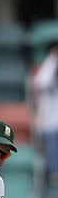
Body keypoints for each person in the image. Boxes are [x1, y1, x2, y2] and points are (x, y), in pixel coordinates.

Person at [33, 40, 58, 185]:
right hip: (50, 118)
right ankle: (54, 173)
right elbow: (41, 83)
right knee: (51, 144)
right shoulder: (49, 65)